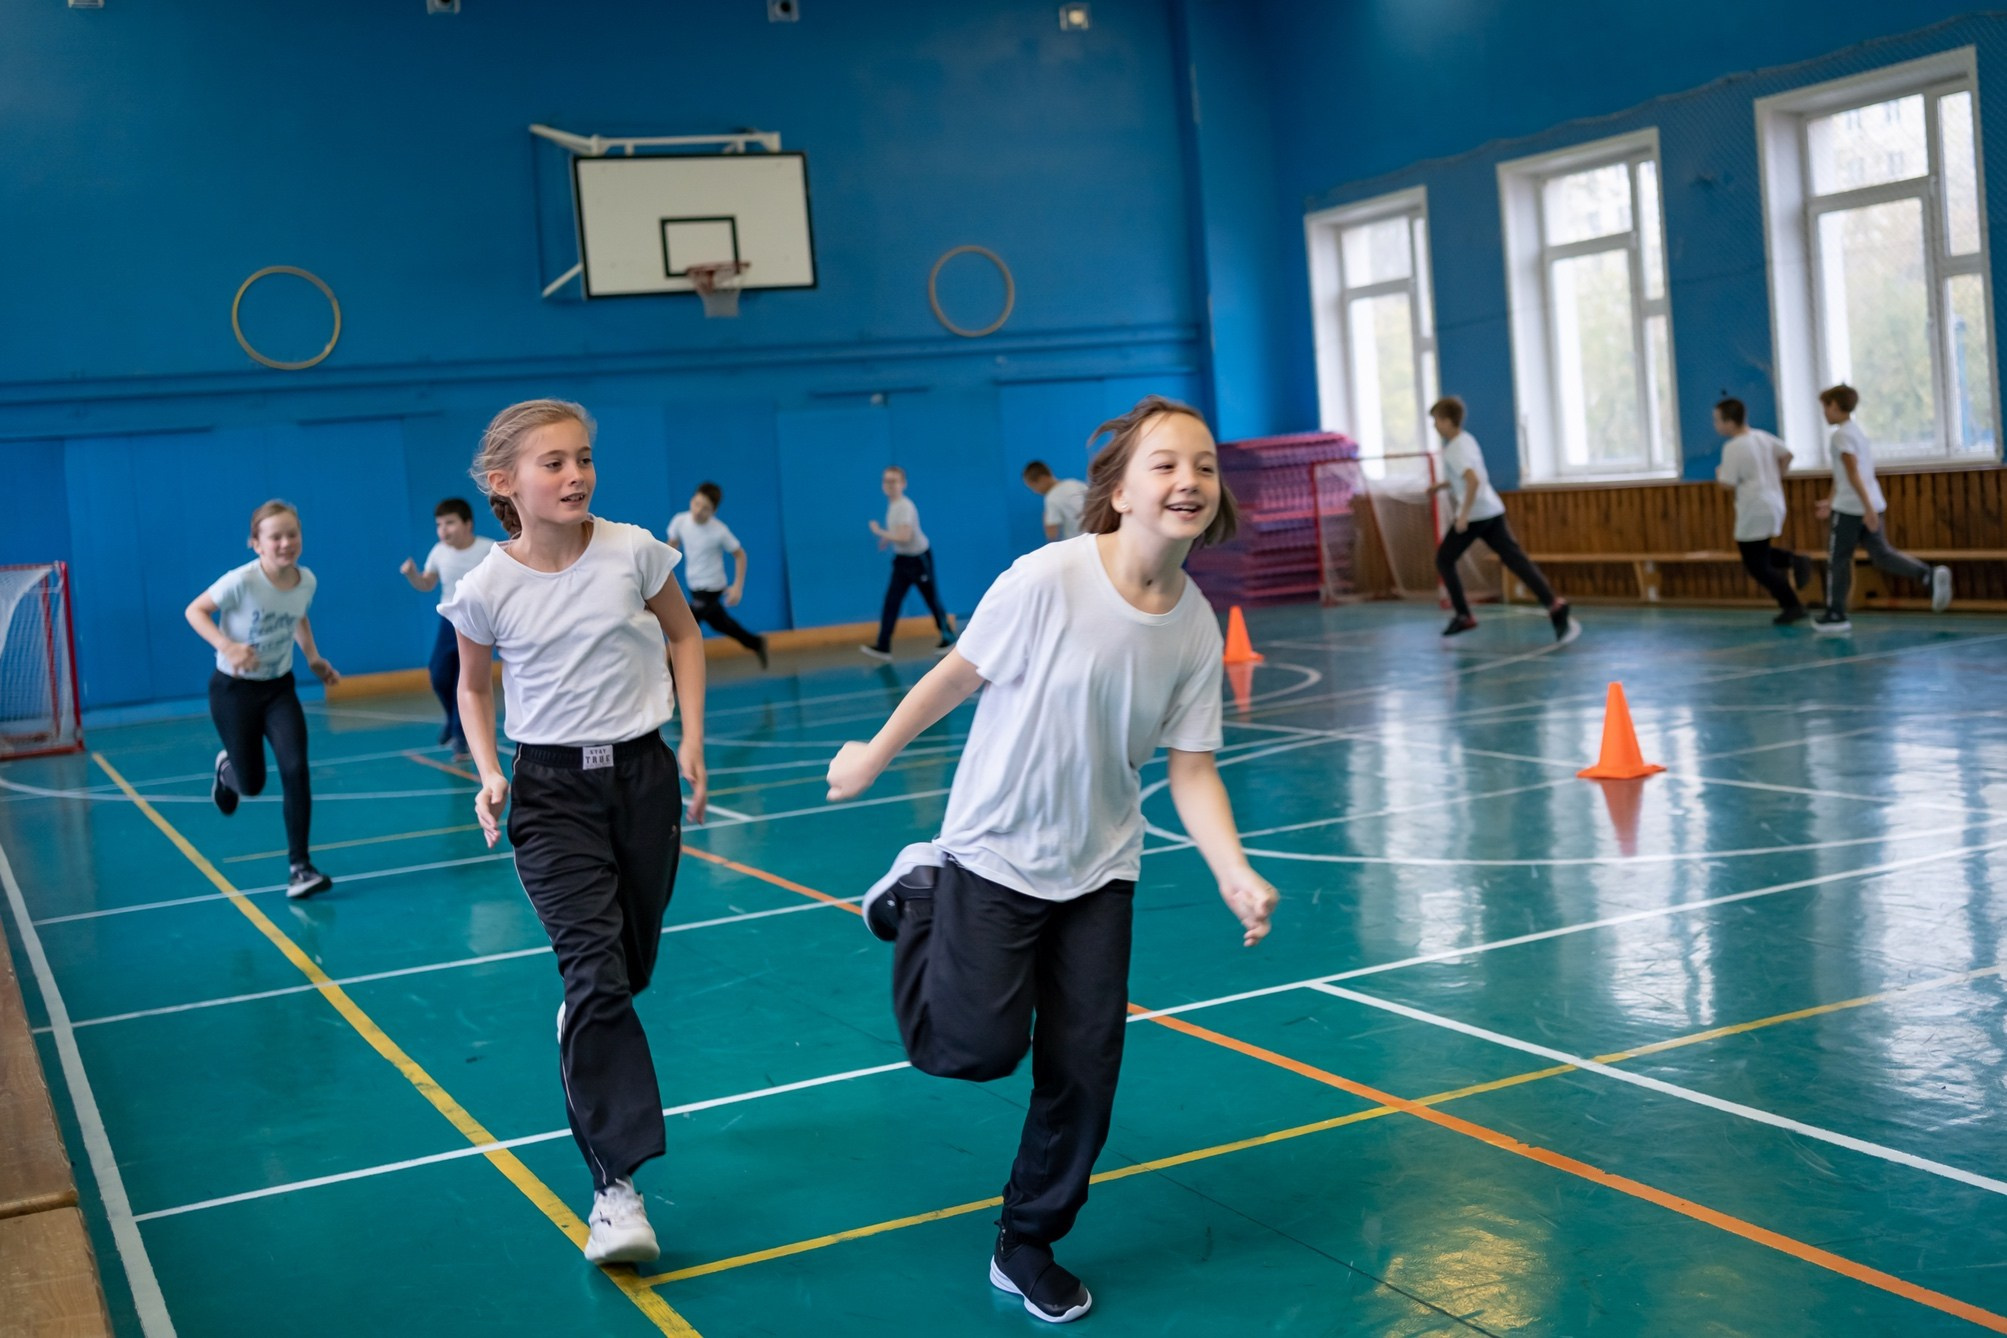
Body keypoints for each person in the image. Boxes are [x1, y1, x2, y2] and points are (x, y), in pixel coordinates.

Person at [826, 395, 1278, 1324]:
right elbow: (958, 673)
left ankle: (1024, 1241)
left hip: (1102, 868)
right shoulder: (1047, 578)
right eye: (1163, 464)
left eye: (1202, 464)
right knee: (968, 1049)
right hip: (993, 849)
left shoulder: (1194, 623)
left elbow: (1190, 769)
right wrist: (874, 752)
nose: (1187, 480)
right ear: (1118, 488)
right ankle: (920, 888)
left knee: (1085, 1066)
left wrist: (1230, 869)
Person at [440, 399, 709, 1267]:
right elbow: (474, 689)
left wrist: (693, 740)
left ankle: (587, 1007)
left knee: (625, 971)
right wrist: (489, 768)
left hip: (641, 776)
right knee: (596, 975)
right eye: (552, 463)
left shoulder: (635, 550)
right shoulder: (483, 587)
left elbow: (685, 637)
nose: (575, 476)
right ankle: (615, 1190)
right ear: (504, 484)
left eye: (583, 458)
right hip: (550, 790)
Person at [185, 500, 340, 900]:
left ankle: (300, 868)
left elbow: (298, 615)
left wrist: (313, 659)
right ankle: (227, 772)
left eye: (293, 534)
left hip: (278, 688)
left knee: (295, 769)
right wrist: (226, 644)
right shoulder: (241, 581)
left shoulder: (306, 581)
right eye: (275, 536)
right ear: (256, 543)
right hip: (234, 691)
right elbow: (195, 610)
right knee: (252, 784)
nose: (286, 542)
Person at [1428, 396, 1574, 642]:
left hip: (1474, 514)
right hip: (1491, 509)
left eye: (1436, 421)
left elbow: (1472, 480)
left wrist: (1463, 516)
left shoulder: (1454, 449)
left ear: (1447, 420)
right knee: (1516, 560)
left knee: (1444, 560)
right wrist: (1443, 485)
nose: (1435, 426)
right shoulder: (1467, 439)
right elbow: (1471, 477)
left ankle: (1463, 615)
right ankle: (1554, 604)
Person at [1813, 384, 1953, 635]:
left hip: (1852, 509)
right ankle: (1927, 575)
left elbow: (1853, 472)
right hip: (1871, 502)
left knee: (1838, 559)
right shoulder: (1856, 432)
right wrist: (1832, 499)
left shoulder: (1840, 436)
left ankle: (1836, 613)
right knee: (1881, 554)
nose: (1824, 412)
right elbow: (1845, 474)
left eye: (1825, 407)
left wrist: (1863, 508)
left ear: (1835, 406)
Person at [399, 498, 496, 754]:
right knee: (440, 675)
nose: (444, 530)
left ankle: (459, 735)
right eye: (439, 524)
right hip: (449, 621)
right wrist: (412, 575)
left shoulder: (489, 550)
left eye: (450, 523)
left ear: (468, 524)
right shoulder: (439, 551)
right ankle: (452, 721)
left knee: (464, 679)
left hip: (477, 621)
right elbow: (427, 584)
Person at [1711, 399, 1812, 625]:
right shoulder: (1762, 437)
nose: (1715, 425)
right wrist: (1777, 476)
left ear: (1729, 421)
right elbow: (1787, 455)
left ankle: (1792, 603)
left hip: (1753, 506)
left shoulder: (1733, 446)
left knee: (1756, 564)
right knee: (1760, 552)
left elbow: (1727, 483)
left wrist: (1719, 474)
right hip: (1774, 501)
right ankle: (1794, 560)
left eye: (1717, 420)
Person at [666, 482, 768, 669]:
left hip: (712, 588)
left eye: (705, 508)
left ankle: (672, 671)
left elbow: (740, 554)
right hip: (694, 586)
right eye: (696, 504)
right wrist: (661, 567)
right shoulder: (680, 521)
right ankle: (755, 642)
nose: (698, 511)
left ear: (713, 511)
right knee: (721, 624)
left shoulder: (719, 531)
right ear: (692, 500)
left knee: (684, 627)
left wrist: (737, 587)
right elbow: (672, 544)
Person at [860, 464, 955, 661]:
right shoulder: (893, 505)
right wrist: (887, 539)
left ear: (903, 484)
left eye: (894, 481)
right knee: (891, 602)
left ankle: (949, 637)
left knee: (931, 599)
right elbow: (898, 533)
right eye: (886, 481)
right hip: (902, 561)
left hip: (918, 559)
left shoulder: (905, 506)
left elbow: (904, 536)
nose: (890, 485)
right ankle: (883, 645)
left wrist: (879, 531)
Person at [1022, 460, 1089, 541]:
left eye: (1033, 487)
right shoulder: (1074, 483)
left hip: (1076, 544)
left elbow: (1052, 534)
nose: (1035, 491)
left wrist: (1046, 521)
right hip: (1095, 537)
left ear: (1042, 479)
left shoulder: (1051, 498)